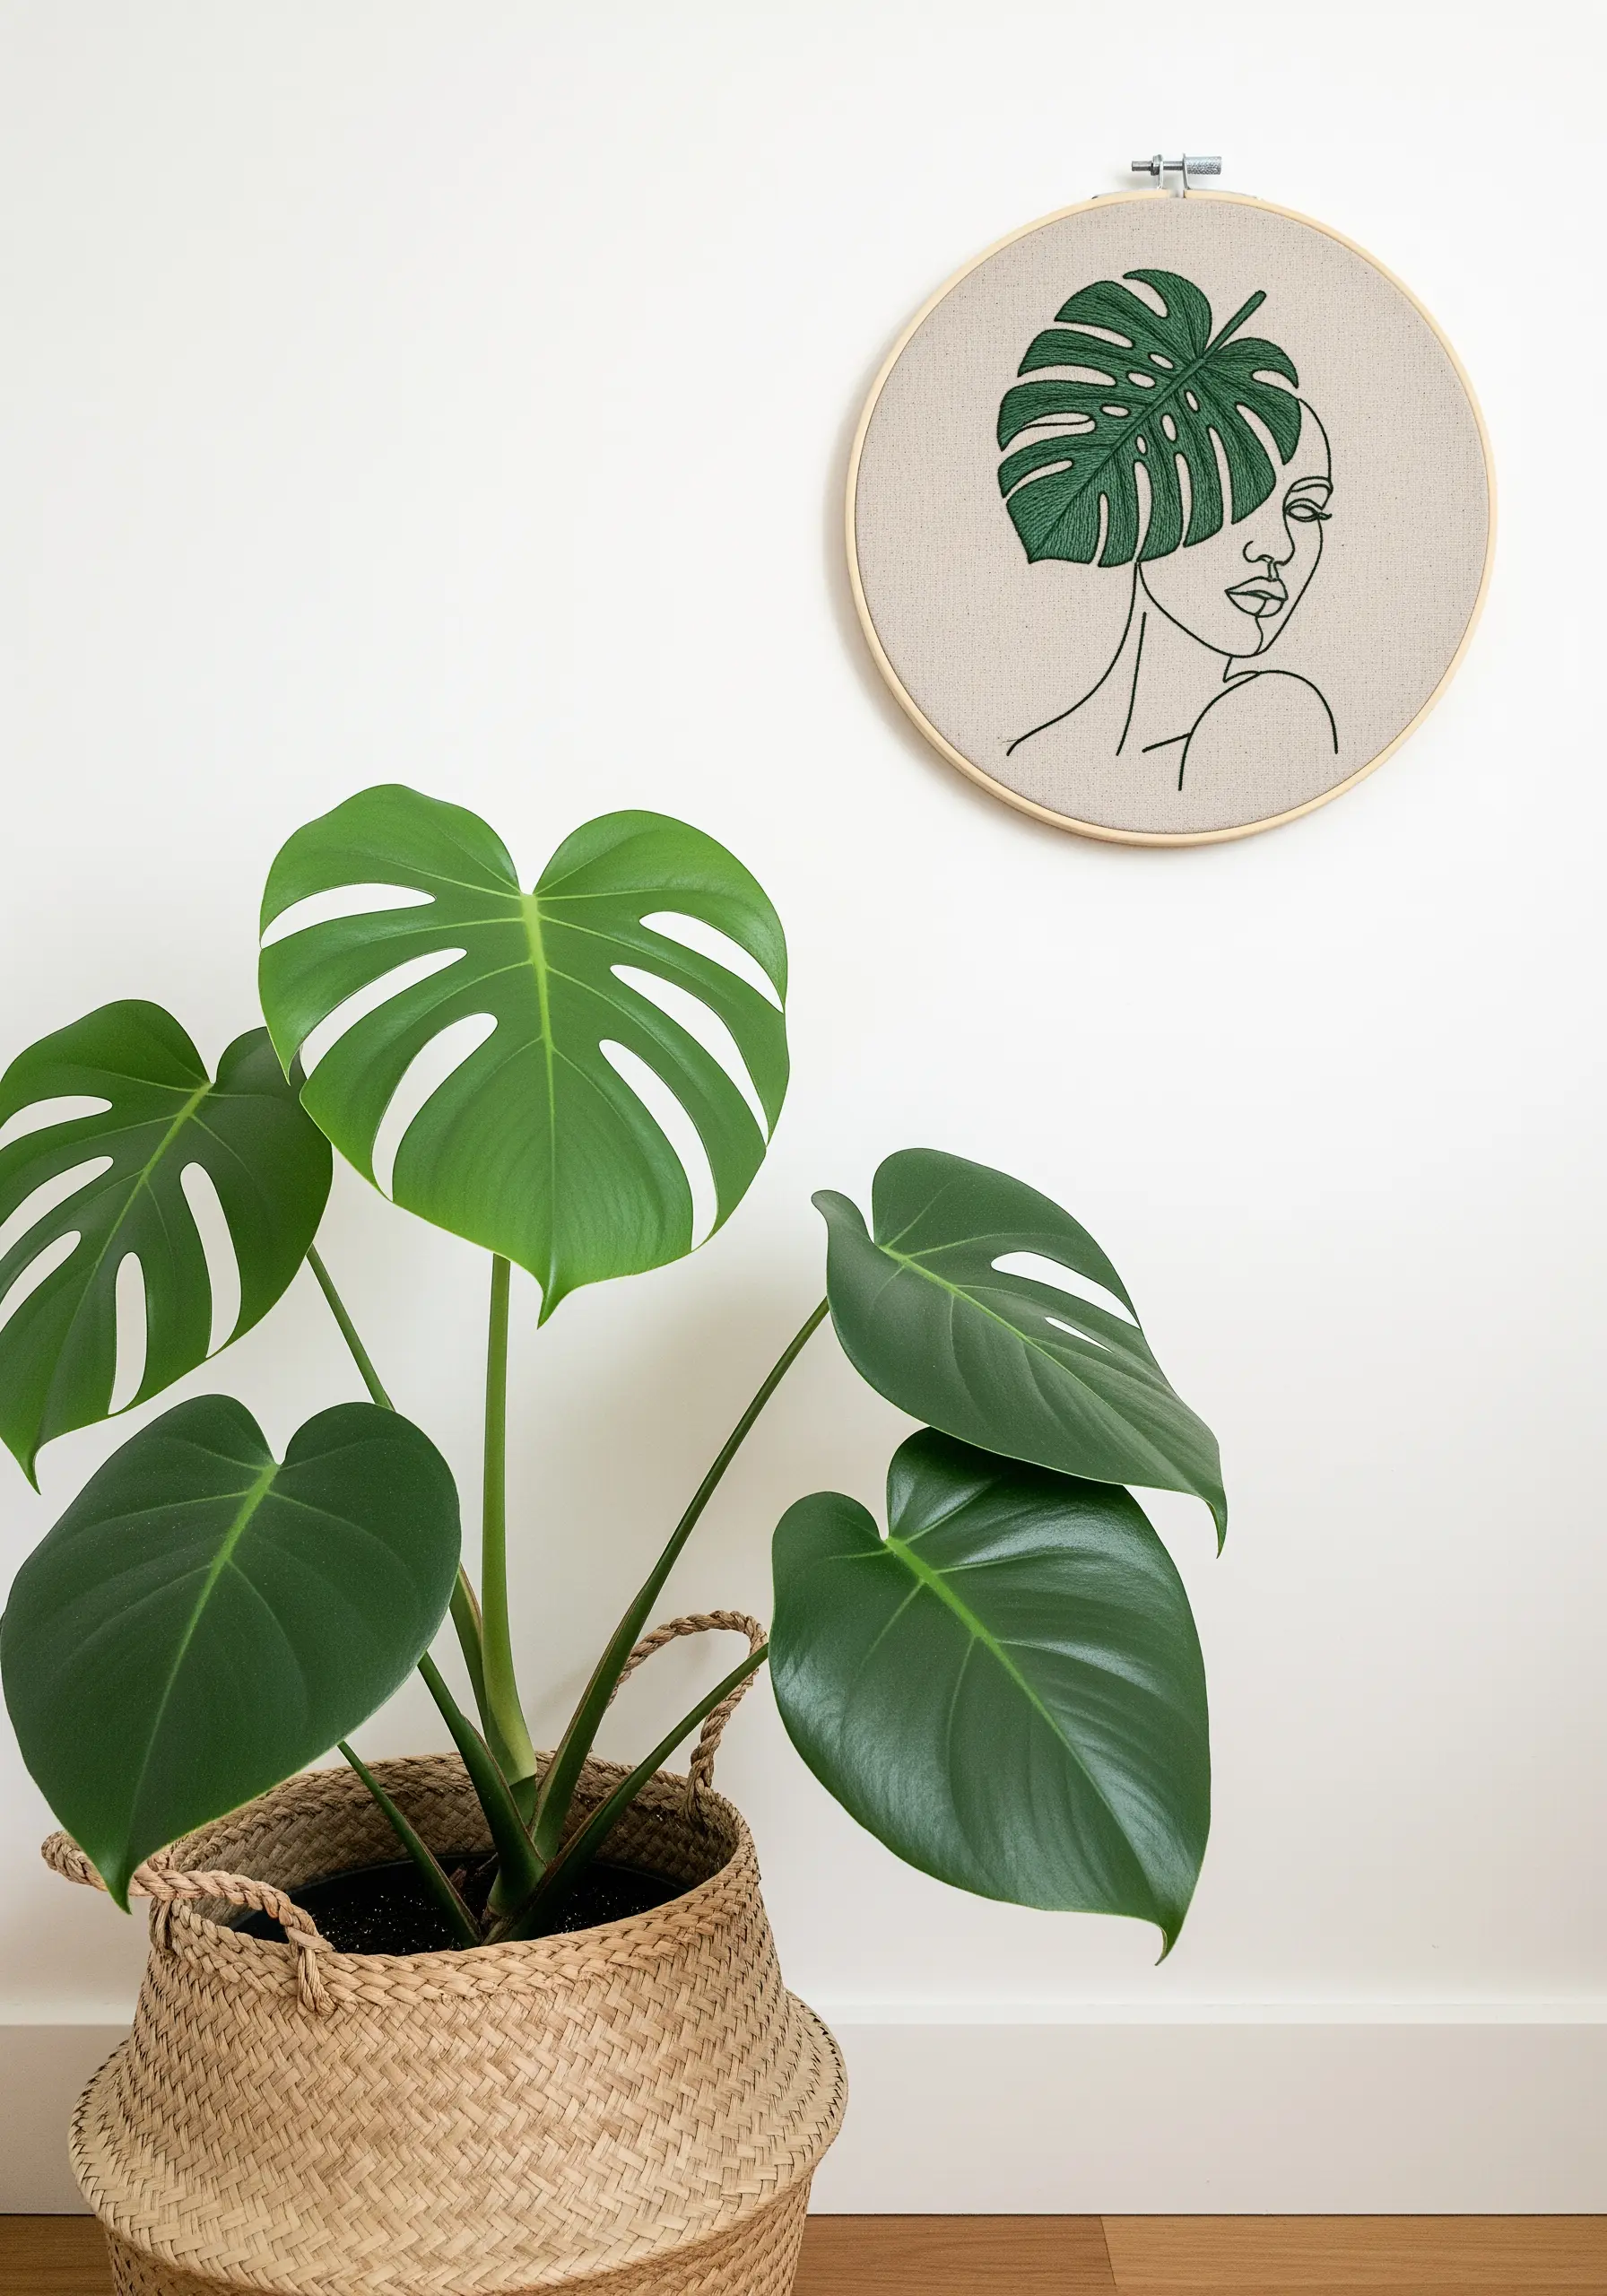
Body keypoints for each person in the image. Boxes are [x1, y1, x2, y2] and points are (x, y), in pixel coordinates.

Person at [998, 270, 1336, 797]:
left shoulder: (1271, 715)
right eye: (1237, 493)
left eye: (1307, 510)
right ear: (1153, 496)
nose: (1279, 548)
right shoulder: (1039, 754)